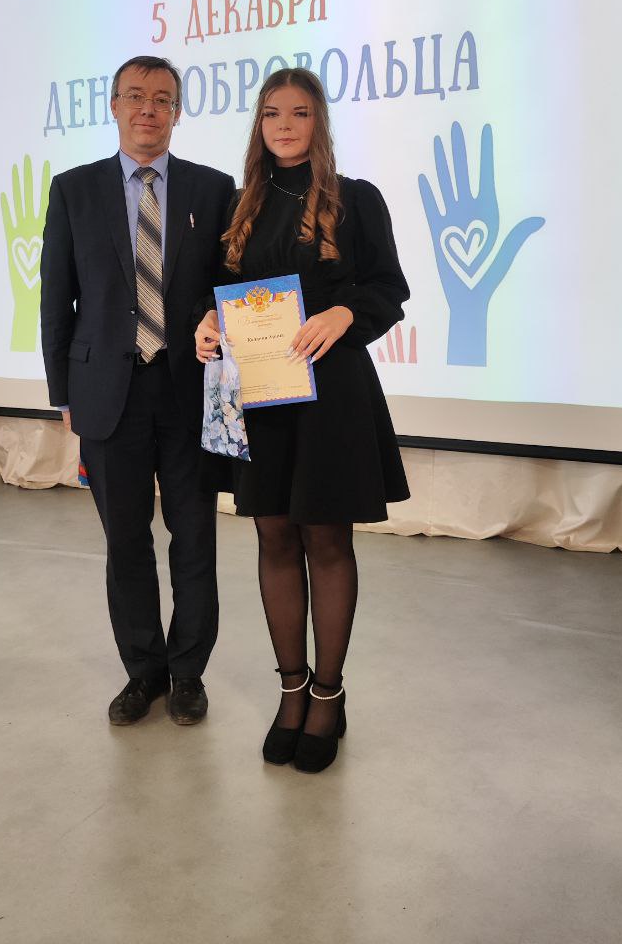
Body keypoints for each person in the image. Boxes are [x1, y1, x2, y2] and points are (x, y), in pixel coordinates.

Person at [195, 68, 410, 772]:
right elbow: (219, 292)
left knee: (326, 539)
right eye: (271, 114)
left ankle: (328, 694)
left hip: (332, 394)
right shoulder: (240, 206)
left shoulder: (356, 198)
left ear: (319, 122)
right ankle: (291, 690)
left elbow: (388, 287)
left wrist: (346, 312)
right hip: (261, 395)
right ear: (258, 125)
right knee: (274, 536)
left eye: (299, 113)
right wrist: (207, 322)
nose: (284, 126)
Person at [41, 55, 235, 728]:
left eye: (162, 99)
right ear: (114, 106)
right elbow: (56, 299)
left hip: (189, 392)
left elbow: (226, 287)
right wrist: (63, 394)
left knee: (195, 540)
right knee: (125, 542)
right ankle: (143, 671)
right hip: (105, 395)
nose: (148, 109)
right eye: (135, 97)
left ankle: (188, 674)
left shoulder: (214, 189)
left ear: (177, 111)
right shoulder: (74, 189)